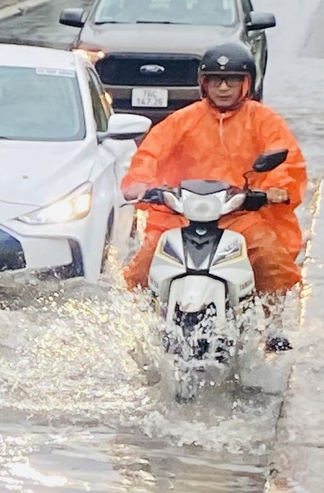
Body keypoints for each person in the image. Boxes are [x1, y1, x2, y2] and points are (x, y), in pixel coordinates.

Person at [120, 41, 306, 351]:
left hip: (238, 212)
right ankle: (145, 320)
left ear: (246, 83)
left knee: (270, 256)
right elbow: (150, 153)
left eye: (231, 80)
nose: (223, 87)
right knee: (146, 260)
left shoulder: (264, 119)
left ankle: (273, 323)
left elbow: (286, 159)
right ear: (203, 84)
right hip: (182, 212)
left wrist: (274, 188)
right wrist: (141, 183)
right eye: (215, 80)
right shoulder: (183, 119)